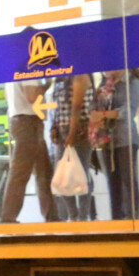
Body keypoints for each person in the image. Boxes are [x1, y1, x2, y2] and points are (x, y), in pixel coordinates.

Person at [0, 76, 56, 223]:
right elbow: (32, 96)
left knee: (43, 171)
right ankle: (8, 218)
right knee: (21, 173)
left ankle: (52, 216)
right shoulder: (28, 70)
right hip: (28, 122)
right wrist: (46, 84)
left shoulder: (12, 71)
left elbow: (7, 95)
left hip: (23, 121)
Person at [91, 69, 139, 221]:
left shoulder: (133, 82)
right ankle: (116, 219)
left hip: (125, 138)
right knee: (112, 182)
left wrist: (104, 115)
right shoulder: (103, 84)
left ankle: (132, 217)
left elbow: (128, 111)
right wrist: (96, 117)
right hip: (106, 139)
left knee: (128, 180)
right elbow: (94, 106)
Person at [48, 74, 94, 221]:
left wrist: (72, 133)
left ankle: (82, 215)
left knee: (81, 174)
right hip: (63, 131)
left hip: (79, 132)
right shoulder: (61, 78)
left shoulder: (80, 76)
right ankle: (74, 215)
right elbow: (59, 106)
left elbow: (76, 107)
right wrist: (54, 127)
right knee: (63, 177)